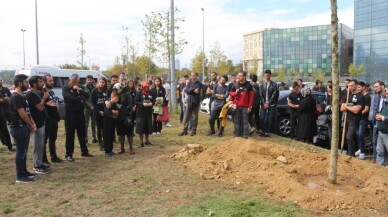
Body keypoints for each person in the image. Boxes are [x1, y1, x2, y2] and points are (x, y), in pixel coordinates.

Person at [10, 74, 37, 183]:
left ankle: (24, 172)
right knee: (20, 152)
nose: (28, 84)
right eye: (26, 82)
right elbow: (23, 115)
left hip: (24, 127)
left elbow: (27, 113)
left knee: (24, 151)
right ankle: (20, 176)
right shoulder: (16, 97)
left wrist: (32, 123)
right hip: (18, 128)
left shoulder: (22, 96)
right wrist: (31, 124)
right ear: (20, 83)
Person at [62, 74, 92, 162]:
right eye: (73, 81)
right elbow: (69, 98)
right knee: (70, 135)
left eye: (77, 82)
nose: (75, 83)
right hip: (70, 115)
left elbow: (87, 95)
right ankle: (69, 154)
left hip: (80, 114)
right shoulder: (65, 88)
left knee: (82, 134)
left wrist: (80, 90)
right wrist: (80, 98)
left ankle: (84, 151)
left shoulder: (80, 87)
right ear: (69, 80)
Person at [25, 76, 51, 174]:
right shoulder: (30, 95)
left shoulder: (37, 93)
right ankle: (37, 165)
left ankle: (39, 163)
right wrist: (44, 98)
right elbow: (39, 107)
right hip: (36, 124)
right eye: (40, 82)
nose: (42, 84)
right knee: (37, 145)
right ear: (35, 84)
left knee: (40, 145)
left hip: (41, 123)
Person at [340, 79, 365, 157]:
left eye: (351, 86)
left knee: (349, 137)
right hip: (346, 119)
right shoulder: (347, 96)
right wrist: (349, 107)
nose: (349, 87)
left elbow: (356, 110)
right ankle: (349, 153)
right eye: (349, 86)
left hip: (354, 120)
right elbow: (341, 108)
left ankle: (351, 155)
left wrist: (347, 106)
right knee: (347, 137)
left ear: (356, 85)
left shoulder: (360, 97)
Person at [42, 74, 62, 163]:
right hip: (47, 119)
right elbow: (38, 106)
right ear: (45, 82)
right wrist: (46, 104)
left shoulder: (52, 92)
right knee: (44, 140)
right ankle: (44, 159)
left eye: (52, 80)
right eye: (50, 81)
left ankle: (54, 157)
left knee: (53, 139)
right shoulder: (42, 92)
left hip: (54, 118)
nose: (52, 82)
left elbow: (54, 102)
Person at [229, 71, 254, 139]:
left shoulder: (249, 85)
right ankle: (237, 135)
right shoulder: (236, 85)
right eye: (238, 76)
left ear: (244, 77)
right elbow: (230, 93)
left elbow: (251, 97)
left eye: (240, 76)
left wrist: (250, 106)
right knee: (236, 122)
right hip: (237, 106)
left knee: (245, 122)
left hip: (245, 107)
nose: (238, 77)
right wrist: (235, 93)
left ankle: (245, 136)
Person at [178, 72, 203, 136]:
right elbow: (186, 90)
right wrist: (193, 90)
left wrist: (192, 90)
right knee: (186, 117)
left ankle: (193, 130)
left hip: (196, 102)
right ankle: (184, 131)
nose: (192, 77)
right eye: (191, 76)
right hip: (189, 102)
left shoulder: (199, 84)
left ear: (197, 76)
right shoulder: (189, 83)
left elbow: (198, 91)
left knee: (195, 117)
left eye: (194, 75)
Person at [117, 80, 136, 155]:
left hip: (128, 115)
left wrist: (121, 107)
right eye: (120, 85)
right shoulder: (116, 93)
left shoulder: (128, 93)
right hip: (119, 116)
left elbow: (130, 105)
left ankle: (131, 148)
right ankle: (122, 148)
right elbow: (114, 103)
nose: (121, 87)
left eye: (123, 85)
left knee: (129, 133)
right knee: (121, 133)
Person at [259, 70, 279, 137]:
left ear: (270, 75)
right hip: (263, 104)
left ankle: (267, 132)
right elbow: (261, 95)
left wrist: (268, 104)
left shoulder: (274, 84)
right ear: (264, 75)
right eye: (265, 75)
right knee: (262, 118)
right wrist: (264, 103)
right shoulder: (261, 84)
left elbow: (274, 95)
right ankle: (263, 131)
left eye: (268, 75)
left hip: (271, 104)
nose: (267, 76)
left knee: (269, 119)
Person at [135, 81, 154, 147]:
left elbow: (153, 101)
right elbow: (136, 101)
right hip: (140, 113)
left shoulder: (151, 93)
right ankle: (141, 141)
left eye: (147, 87)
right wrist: (142, 104)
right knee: (141, 127)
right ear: (142, 87)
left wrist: (152, 104)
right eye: (145, 87)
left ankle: (147, 140)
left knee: (147, 127)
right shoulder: (139, 92)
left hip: (148, 112)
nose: (146, 88)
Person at [91, 77, 108, 151]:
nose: (102, 83)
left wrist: (105, 110)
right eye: (100, 82)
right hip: (97, 112)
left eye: (103, 82)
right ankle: (100, 144)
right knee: (99, 129)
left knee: (105, 129)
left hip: (105, 112)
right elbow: (93, 102)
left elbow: (108, 100)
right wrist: (99, 111)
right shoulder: (94, 90)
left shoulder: (107, 90)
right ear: (98, 82)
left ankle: (105, 143)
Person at [371, 81, 386, 163]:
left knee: (384, 141)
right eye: (374, 86)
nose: (375, 88)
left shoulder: (386, 97)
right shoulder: (375, 97)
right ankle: (374, 157)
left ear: (382, 86)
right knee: (374, 140)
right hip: (376, 122)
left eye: (377, 86)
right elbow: (373, 109)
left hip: (384, 122)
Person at [355, 81, 371, 160]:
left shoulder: (367, 96)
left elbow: (366, 109)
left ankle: (363, 152)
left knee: (361, 134)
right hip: (357, 119)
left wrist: (358, 113)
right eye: (357, 87)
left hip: (363, 119)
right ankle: (360, 149)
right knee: (358, 134)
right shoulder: (359, 96)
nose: (358, 89)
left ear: (363, 87)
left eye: (359, 87)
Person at [103, 91, 121, 157]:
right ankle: (107, 151)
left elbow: (118, 112)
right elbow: (108, 112)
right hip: (107, 121)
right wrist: (113, 112)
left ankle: (110, 150)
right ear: (112, 97)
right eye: (116, 98)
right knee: (107, 136)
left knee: (111, 136)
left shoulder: (115, 104)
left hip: (113, 121)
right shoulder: (108, 103)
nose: (117, 100)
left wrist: (115, 112)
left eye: (118, 99)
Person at [0, 77, 13, 151]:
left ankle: (13, 142)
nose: (0, 82)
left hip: (8, 110)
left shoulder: (6, 89)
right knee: (2, 128)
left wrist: (7, 99)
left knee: (12, 124)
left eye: (1, 80)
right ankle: (5, 143)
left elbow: (10, 97)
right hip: (1, 112)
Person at [375, 88, 388, 166]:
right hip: (381, 133)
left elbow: (384, 117)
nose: (386, 95)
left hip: (387, 134)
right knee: (380, 151)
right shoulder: (386, 104)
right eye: (386, 93)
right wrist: (378, 116)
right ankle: (379, 167)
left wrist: (382, 117)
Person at [83, 75, 97, 144]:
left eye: (91, 80)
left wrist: (94, 106)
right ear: (86, 80)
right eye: (88, 80)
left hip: (94, 108)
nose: (89, 81)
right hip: (86, 108)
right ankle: (85, 138)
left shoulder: (95, 87)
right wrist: (89, 106)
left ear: (92, 80)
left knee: (94, 123)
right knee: (86, 124)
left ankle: (94, 137)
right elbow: (83, 99)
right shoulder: (83, 87)